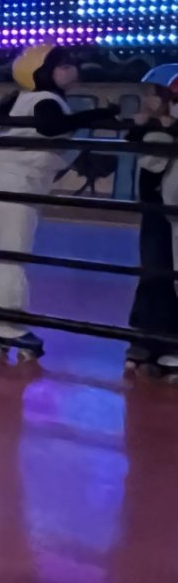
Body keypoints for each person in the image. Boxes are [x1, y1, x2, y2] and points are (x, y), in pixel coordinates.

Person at [0, 43, 118, 363]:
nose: (72, 69)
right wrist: (101, 114)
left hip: (17, 184)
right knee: (12, 256)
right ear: (42, 73)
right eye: (63, 65)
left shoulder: (31, 99)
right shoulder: (45, 100)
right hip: (16, 186)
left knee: (4, 253)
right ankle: (9, 326)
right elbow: (50, 126)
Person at [125, 74, 178, 373]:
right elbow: (140, 150)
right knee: (154, 268)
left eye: (155, 94)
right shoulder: (155, 124)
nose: (147, 99)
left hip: (168, 205)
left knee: (165, 269)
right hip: (156, 207)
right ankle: (147, 336)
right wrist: (147, 126)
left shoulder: (167, 126)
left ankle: (165, 341)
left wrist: (160, 128)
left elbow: (153, 160)